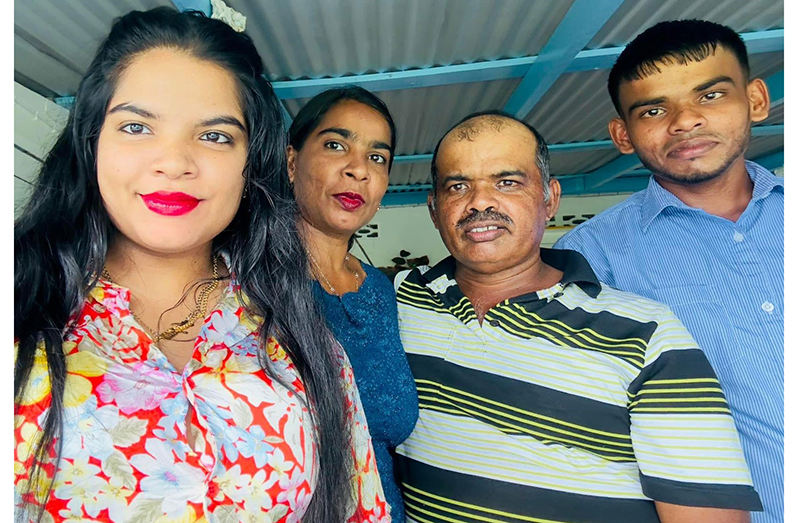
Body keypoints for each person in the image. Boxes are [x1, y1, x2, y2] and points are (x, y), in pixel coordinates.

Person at [14, 8, 389, 523]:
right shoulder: (23, 304)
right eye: (137, 126)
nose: (174, 162)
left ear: (250, 164)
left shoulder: (303, 342)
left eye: (214, 136)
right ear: (91, 142)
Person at [393, 110, 762, 523]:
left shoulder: (647, 333)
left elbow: (708, 514)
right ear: (434, 208)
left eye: (507, 182)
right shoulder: (399, 301)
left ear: (549, 198)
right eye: (458, 186)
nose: (479, 202)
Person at [554, 20, 782, 523]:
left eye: (711, 95)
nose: (685, 121)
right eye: (653, 110)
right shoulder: (589, 258)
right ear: (622, 135)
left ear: (756, 100)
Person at [287, 86, 419, 523]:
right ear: (291, 162)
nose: (359, 169)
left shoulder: (380, 291)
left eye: (377, 157)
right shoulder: (244, 284)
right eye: (335, 145)